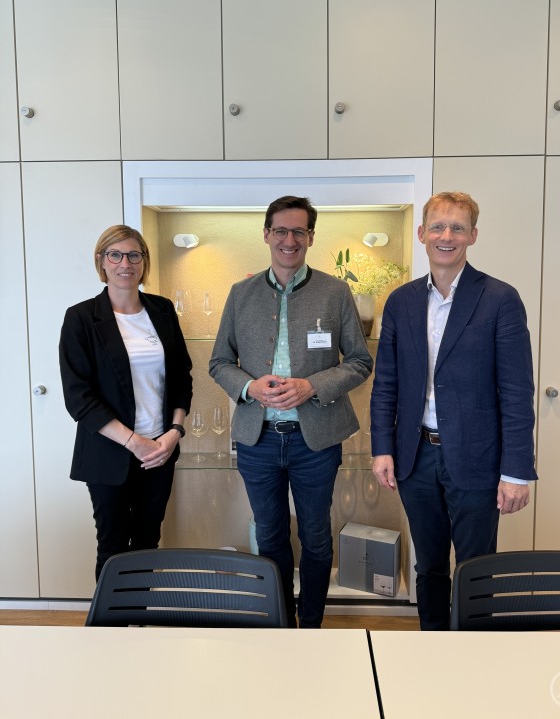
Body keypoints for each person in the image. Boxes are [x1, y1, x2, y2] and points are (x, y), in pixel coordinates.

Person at [370, 191, 537, 630]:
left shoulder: (500, 299)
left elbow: (517, 391)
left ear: (473, 236)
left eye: (458, 228)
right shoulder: (401, 302)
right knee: (429, 567)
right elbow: (386, 383)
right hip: (415, 457)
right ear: (422, 233)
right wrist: (382, 448)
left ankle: (474, 651)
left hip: (478, 458)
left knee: (475, 569)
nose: (447, 236)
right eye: (438, 227)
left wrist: (517, 471)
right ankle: (433, 644)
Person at [209, 195, 373, 628]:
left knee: (316, 538)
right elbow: (219, 362)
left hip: (315, 441)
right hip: (258, 440)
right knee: (270, 537)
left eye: (299, 231)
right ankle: (281, 623)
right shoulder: (240, 294)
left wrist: (311, 386)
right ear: (266, 234)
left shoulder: (335, 292)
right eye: (280, 230)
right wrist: (249, 386)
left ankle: (311, 624)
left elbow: (360, 361)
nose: (289, 239)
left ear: (311, 237)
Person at [59, 224, 193, 581]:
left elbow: (182, 378)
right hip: (109, 452)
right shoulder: (81, 318)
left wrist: (174, 432)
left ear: (143, 261)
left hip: (159, 452)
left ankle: (138, 616)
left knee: (148, 543)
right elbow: (79, 398)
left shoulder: (162, 310)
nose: (125, 263)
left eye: (134, 255)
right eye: (115, 255)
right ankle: (110, 618)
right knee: (113, 548)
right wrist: (134, 442)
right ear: (101, 262)